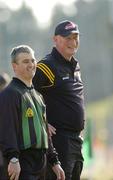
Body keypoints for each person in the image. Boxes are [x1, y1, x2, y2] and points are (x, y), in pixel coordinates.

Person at [0, 45, 65, 180]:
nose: (31, 64)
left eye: (32, 60)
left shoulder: (38, 95)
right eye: (25, 61)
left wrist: (54, 161)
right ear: (14, 66)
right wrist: (13, 158)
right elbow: (7, 128)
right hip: (22, 162)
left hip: (41, 163)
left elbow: (44, 131)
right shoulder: (10, 94)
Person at [33, 20, 85, 180]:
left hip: (76, 140)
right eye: (67, 37)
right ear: (56, 39)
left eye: (75, 37)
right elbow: (25, 95)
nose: (73, 42)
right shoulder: (45, 66)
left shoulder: (75, 66)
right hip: (59, 141)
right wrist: (41, 123)